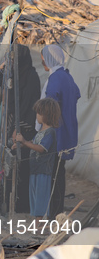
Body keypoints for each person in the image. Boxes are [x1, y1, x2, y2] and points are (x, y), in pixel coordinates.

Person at [0, 45, 41, 214]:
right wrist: (1, 68)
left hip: (24, 126)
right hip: (11, 123)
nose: (11, 61)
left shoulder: (31, 77)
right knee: (8, 162)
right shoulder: (11, 73)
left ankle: (22, 205)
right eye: (10, 59)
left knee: (22, 164)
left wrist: (17, 128)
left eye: (13, 59)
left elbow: (27, 105)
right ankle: (7, 199)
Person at [40, 45, 80, 219]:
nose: (42, 61)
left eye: (44, 58)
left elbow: (49, 105)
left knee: (53, 173)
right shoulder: (67, 77)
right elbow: (76, 94)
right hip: (68, 129)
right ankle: (57, 211)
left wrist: (43, 131)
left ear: (50, 59)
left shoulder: (56, 78)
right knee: (59, 171)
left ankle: (53, 212)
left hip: (57, 132)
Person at [14, 98, 60, 225]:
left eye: (39, 113)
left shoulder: (50, 133)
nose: (37, 116)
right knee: (34, 197)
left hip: (43, 171)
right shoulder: (40, 131)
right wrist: (22, 145)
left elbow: (40, 148)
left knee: (41, 198)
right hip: (34, 169)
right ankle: (37, 222)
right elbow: (33, 143)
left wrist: (24, 142)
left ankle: (41, 224)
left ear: (46, 115)